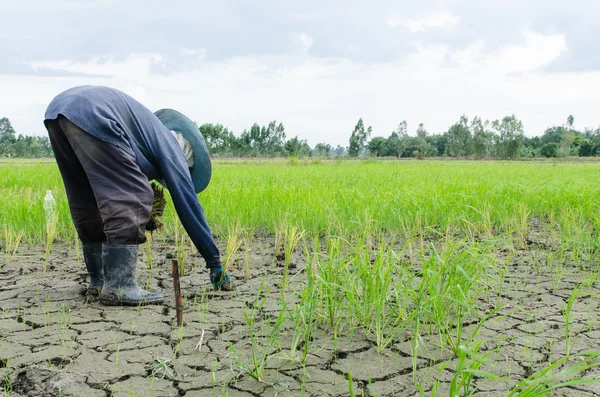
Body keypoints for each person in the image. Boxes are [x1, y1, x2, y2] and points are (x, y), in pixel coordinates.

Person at [43, 85, 233, 306]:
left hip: (58, 112)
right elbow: (189, 206)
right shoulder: (173, 149)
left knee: (85, 196)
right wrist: (214, 262)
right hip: (95, 114)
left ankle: (98, 280)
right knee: (135, 195)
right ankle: (119, 286)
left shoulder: (146, 136)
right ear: (187, 155)